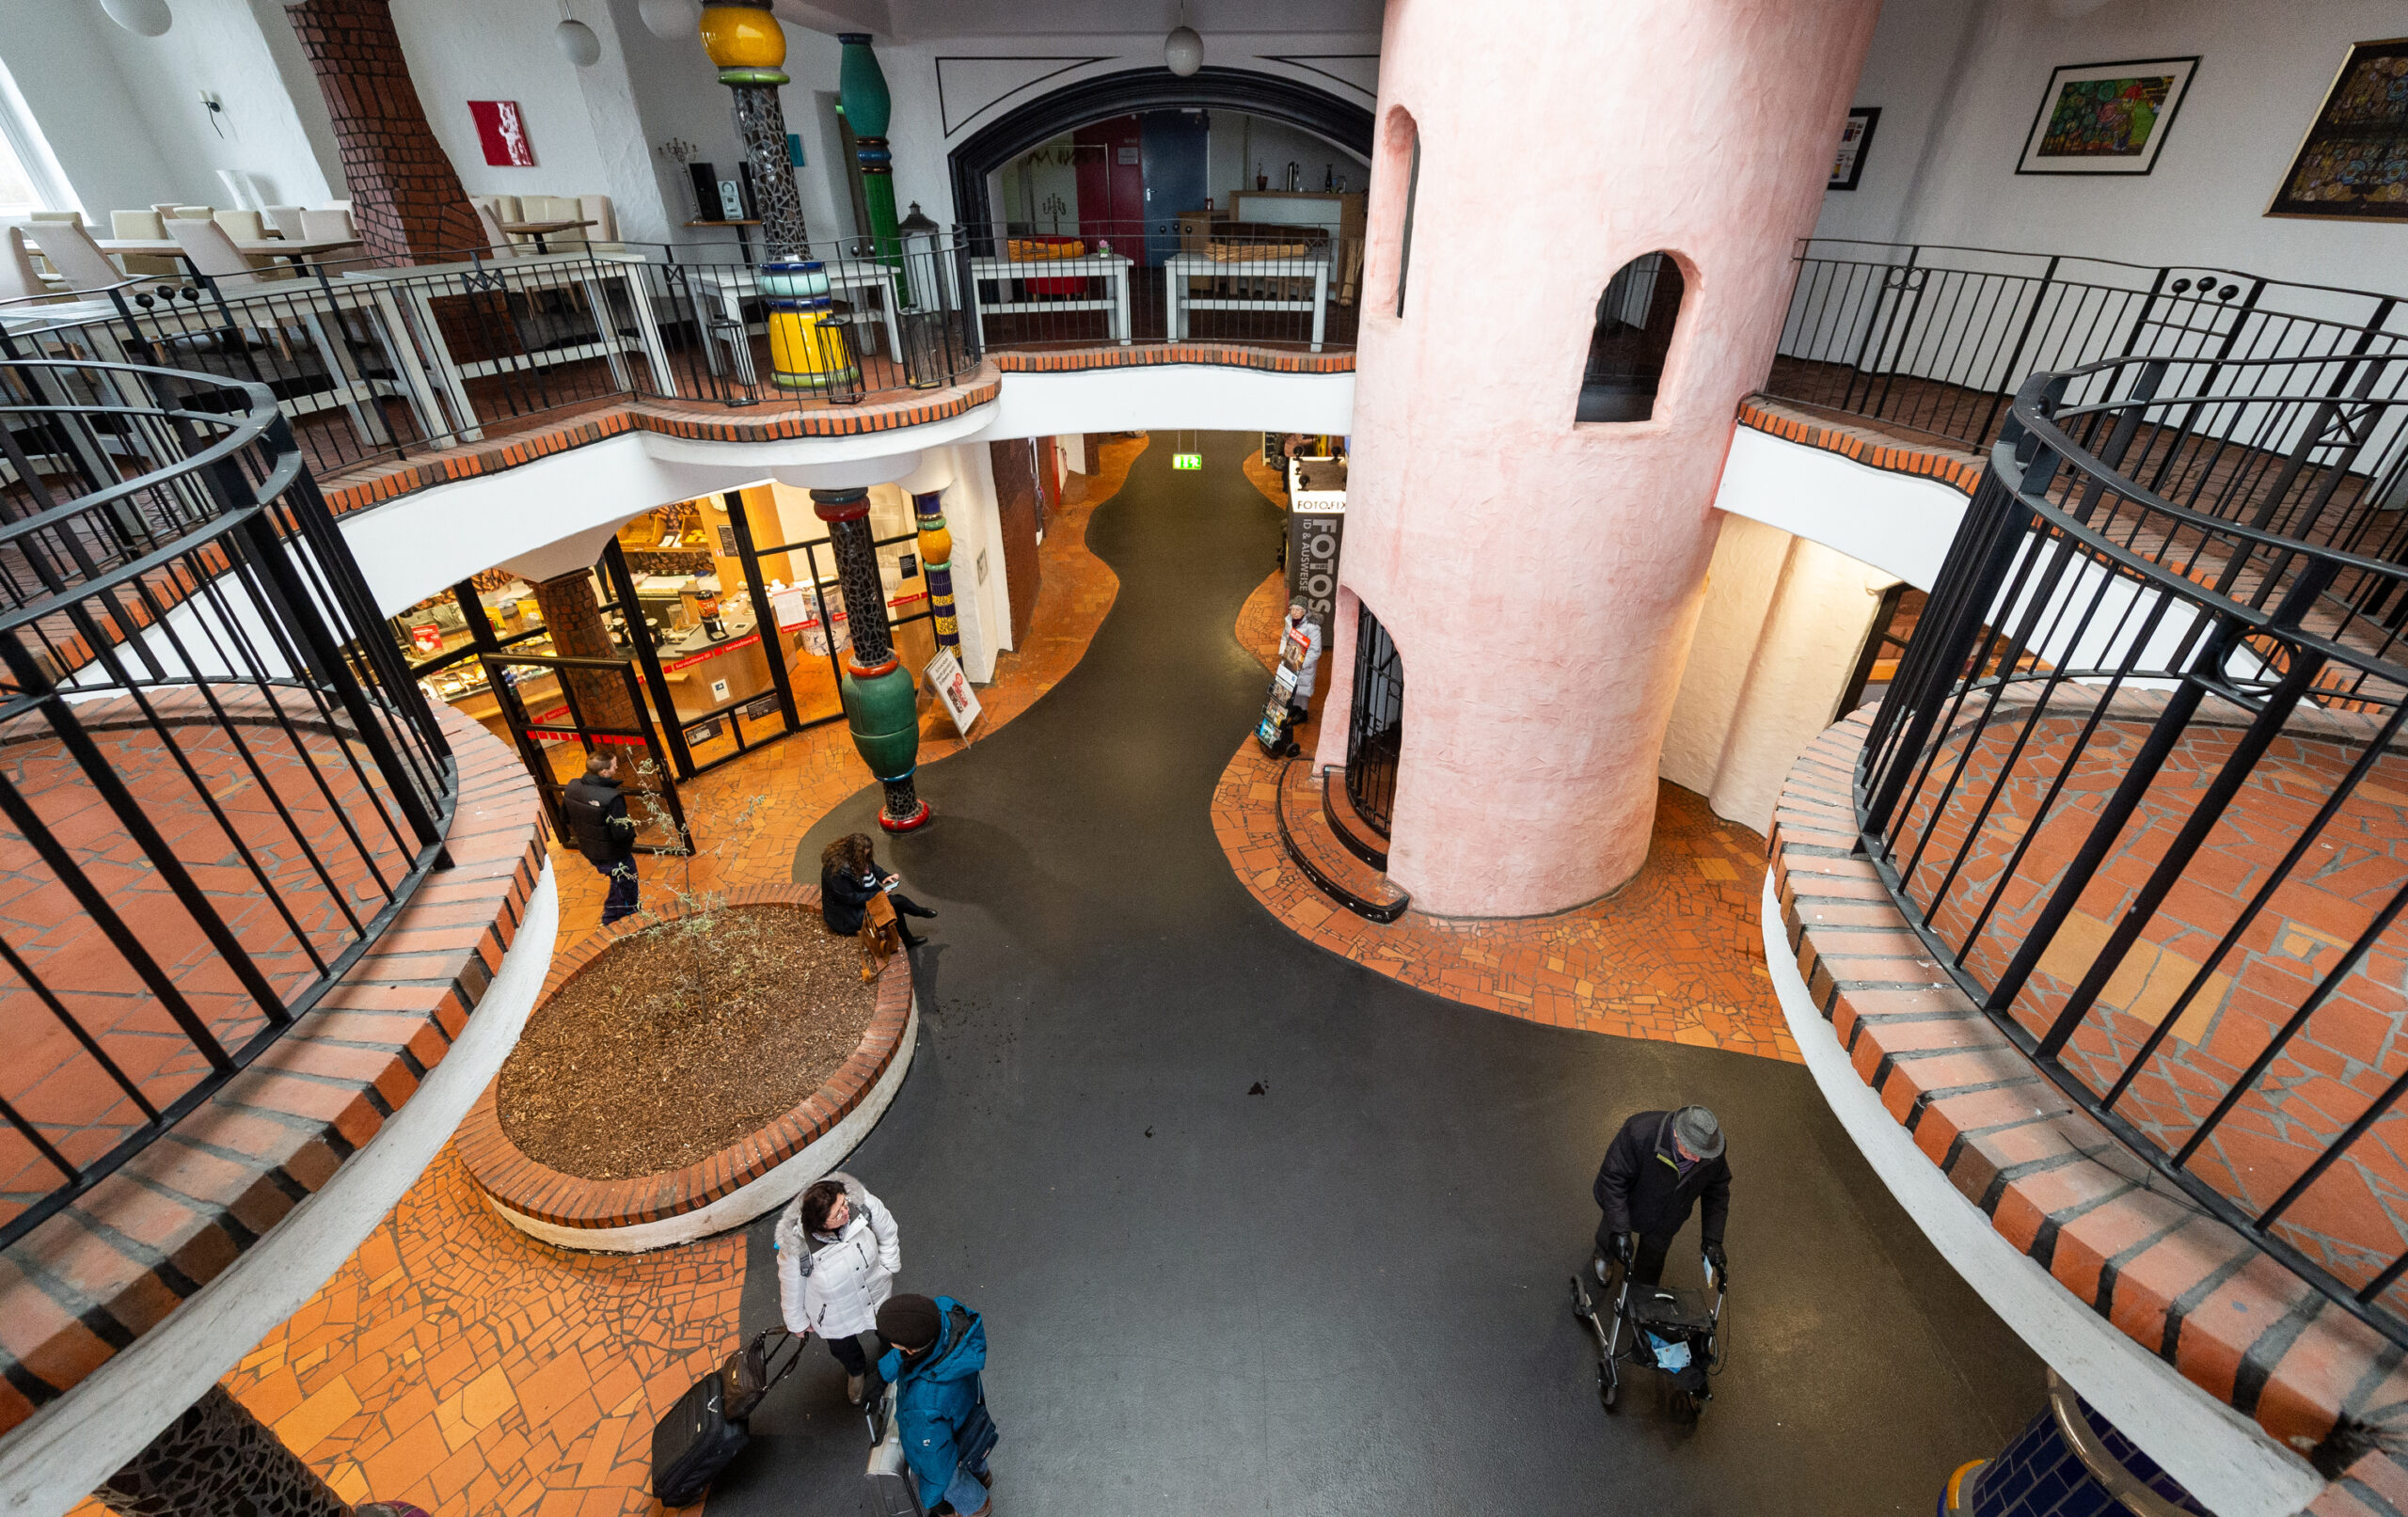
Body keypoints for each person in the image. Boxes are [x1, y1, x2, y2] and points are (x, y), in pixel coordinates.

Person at [775, 1172, 900, 1405]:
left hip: (875, 1291)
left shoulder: (862, 1204)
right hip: (833, 1313)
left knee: (887, 1327)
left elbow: (888, 1230)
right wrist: (797, 1322)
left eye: (844, 1202)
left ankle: (894, 1356)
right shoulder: (797, 1248)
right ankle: (856, 1370)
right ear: (820, 1224)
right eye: (838, 1213)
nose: (846, 1211)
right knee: (843, 1346)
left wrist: (888, 1265)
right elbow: (791, 1286)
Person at [876, 1293, 994, 1517]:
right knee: (974, 1448)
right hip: (965, 1412)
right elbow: (912, 1352)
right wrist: (883, 1373)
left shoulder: (923, 1404)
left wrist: (934, 1501)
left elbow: (935, 1465)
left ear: (910, 1350)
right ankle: (983, 1476)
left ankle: (979, 1506)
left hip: (941, 1442)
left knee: (952, 1481)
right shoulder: (943, 1313)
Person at [1593, 1105, 1731, 1288]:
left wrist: (1712, 1238)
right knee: (1611, 1233)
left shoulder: (1711, 1150)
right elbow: (1612, 1180)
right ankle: (1604, 1255)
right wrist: (1620, 1229)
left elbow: (1717, 1192)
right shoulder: (1638, 1133)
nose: (1698, 1160)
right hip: (1632, 1200)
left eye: (1703, 1154)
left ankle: (1641, 1291)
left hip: (1669, 1215)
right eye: (1691, 1151)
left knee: (1654, 1257)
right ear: (1676, 1134)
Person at [562, 750, 639, 925]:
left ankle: (614, 917)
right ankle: (616, 921)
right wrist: (631, 833)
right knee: (627, 887)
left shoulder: (572, 787)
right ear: (604, 772)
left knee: (617, 881)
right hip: (614, 854)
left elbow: (564, 818)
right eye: (614, 765)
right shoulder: (612, 798)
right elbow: (620, 833)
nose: (617, 767)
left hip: (590, 850)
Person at [819, 833, 938, 947]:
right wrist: (878, 895)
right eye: (864, 856)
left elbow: (872, 867)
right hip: (848, 915)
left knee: (895, 904)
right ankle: (918, 914)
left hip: (862, 900)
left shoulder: (858, 858)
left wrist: (884, 876)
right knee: (896, 903)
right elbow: (851, 898)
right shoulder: (837, 872)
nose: (866, 859)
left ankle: (910, 934)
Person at [1279, 600, 1322, 722]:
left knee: (1303, 690)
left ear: (1304, 611)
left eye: (1298, 610)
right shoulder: (1289, 621)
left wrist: (1301, 663)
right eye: (1292, 609)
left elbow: (1315, 651)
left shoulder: (1312, 627)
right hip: (1290, 661)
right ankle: (1295, 707)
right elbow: (1284, 637)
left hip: (1304, 666)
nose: (1294, 612)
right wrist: (1283, 653)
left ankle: (1303, 712)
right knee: (1292, 687)